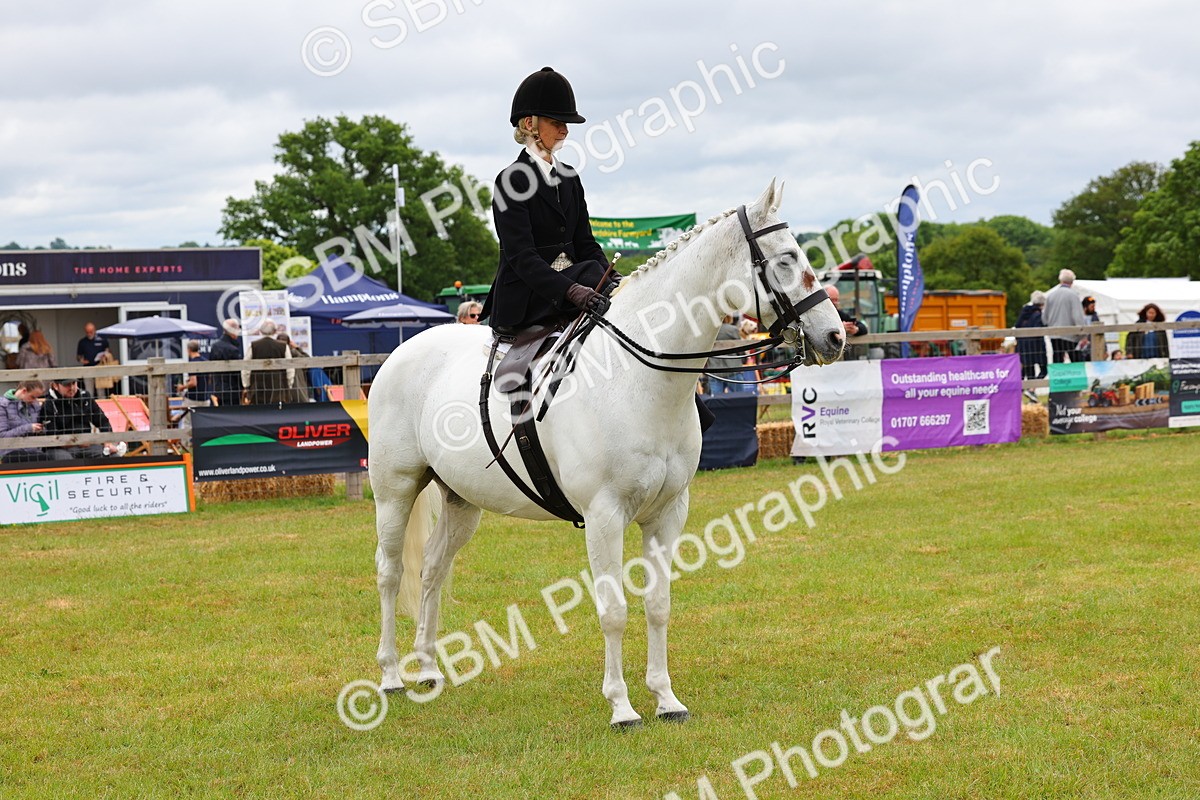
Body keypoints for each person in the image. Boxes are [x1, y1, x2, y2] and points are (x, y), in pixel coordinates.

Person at [480, 66, 616, 333]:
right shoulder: (511, 181)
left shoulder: (570, 178)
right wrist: (572, 290)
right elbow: (522, 257)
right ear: (530, 124)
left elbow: (585, 243)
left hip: (575, 284)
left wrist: (613, 277)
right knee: (589, 270)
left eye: (566, 124)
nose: (565, 130)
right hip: (527, 295)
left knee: (595, 269)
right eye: (557, 123)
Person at [39, 377, 121, 458]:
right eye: (67, 385)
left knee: (113, 456)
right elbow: (51, 435)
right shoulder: (48, 404)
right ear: (55, 386)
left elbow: (103, 421)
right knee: (65, 459)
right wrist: (77, 441)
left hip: (87, 445)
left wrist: (108, 442)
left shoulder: (85, 397)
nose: (72, 388)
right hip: (60, 447)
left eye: (74, 383)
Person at [0, 380, 52, 463]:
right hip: (9, 451)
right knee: (40, 459)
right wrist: (28, 428)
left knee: (46, 458)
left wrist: (41, 429)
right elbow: (2, 436)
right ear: (24, 391)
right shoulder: (2, 405)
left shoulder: (34, 405)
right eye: (33, 397)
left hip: (32, 449)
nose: (35, 400)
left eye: (37, 398)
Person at [1042, 269, 1087, 363]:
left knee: (1057, 359)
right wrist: (1083, 333)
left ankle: (1058, 377)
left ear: (1060, 280)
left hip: (1054, 334)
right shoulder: (1073, 295)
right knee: (1076, 360)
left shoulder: (1051, 296)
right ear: (1072, 282)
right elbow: (1077, 316)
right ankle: (1078, 377)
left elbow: (1044, 318)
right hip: (1070, 334)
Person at [248, 319, 290, 405]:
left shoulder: (253, 345)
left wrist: (247, 385)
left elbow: (245, 367)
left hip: (257, 387)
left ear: (260, 331)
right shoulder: (283, 346)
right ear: (275, 331)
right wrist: (288, 384)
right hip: (279, 387)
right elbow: (290, 368)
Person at [208, 319, 244, 407]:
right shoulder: (233, 349)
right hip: (232, 390)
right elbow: (238, 373)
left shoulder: (215, 346)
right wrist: (243, 387)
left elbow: (211, 366)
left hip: (218, 389)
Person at [1015, 290, 1048, 379]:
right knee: (1044, 369)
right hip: (1036, 346)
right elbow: (1038, 330)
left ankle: (1025, 389)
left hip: (1023, 346)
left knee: (1028, 369)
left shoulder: (1024, 312)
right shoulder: (1038, 314)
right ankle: (1032, 388)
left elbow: (1017, 326)